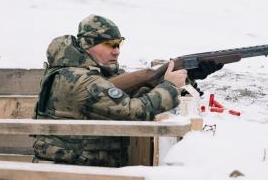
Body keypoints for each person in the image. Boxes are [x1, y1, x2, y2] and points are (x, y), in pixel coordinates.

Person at [33, 14, 222, 167]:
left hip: (80, 165)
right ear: (87, 45)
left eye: (119, 44)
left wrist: (189, 76)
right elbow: (132, 111)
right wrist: (170, 87)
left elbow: (126, 99)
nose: (116, 51)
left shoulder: (88, 74)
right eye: (109, 45)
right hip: (70, 171)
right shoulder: (82, 80)